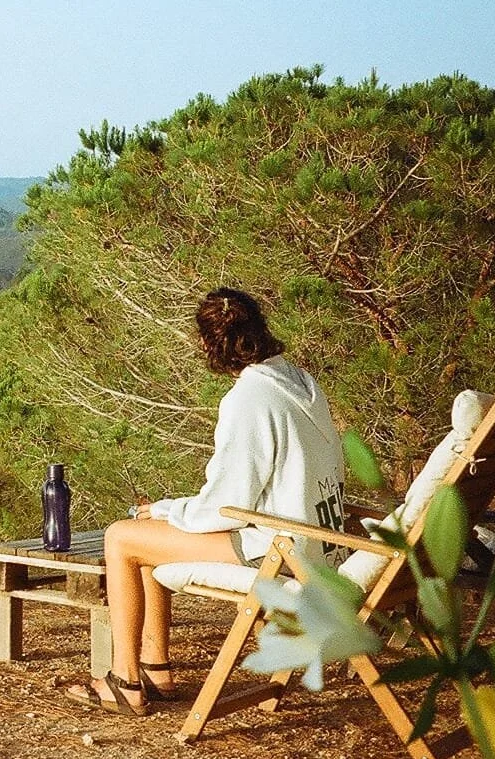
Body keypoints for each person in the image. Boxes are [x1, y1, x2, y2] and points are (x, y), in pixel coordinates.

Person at [65, 287, 347, 716]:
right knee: (149, 536)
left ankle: (125, 681)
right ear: (260, 328)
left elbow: (225, 505)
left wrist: (166, 509)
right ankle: (155, 669)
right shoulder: (301, 382)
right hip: (318, 541)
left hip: (280, 552)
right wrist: (167, 514)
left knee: (122, 537)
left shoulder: (250, 400)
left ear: (206, 344)